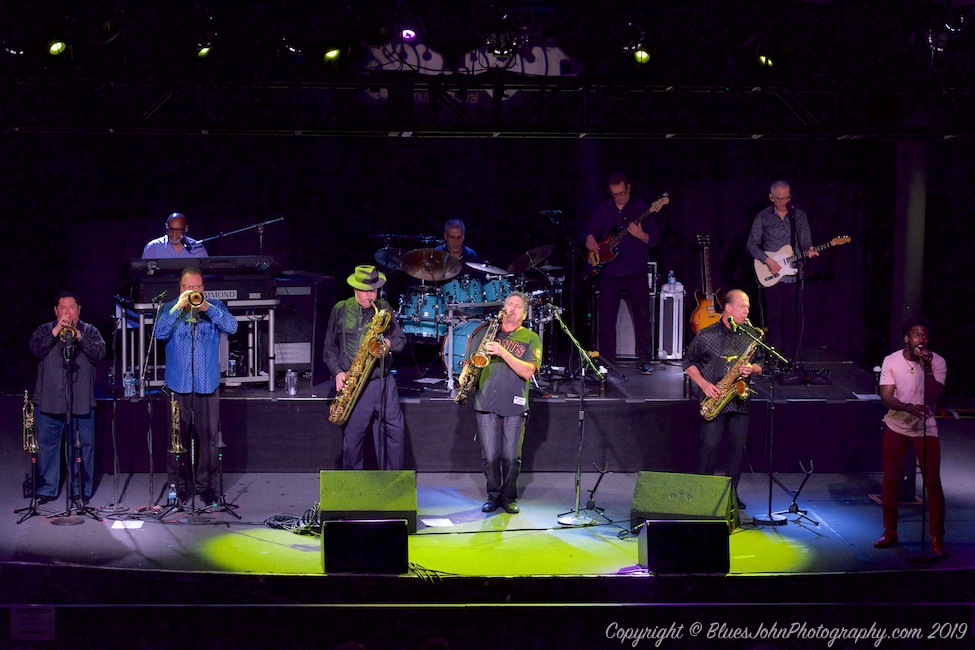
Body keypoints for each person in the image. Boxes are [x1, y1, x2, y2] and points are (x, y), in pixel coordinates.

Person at [155, 267, 237, 503]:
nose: (192, 290)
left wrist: (207, 308)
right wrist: (178, 308)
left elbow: (232, 327)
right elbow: (159, 333)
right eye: (188, 287)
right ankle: (178, 487)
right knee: (176, 440)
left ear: (203, 288)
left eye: (197, 286)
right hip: (177, 385)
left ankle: (206, 487)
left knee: (210, 441)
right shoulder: (168, 308)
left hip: (206, 385)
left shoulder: (215, 307)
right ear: (180, 288)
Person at [683, 289, 764, 510]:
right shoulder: (706, 335)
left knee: (737, 451)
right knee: (708, 448)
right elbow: (688, 363)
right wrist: (704, 385)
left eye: (748, 307)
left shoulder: (752, 335)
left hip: (739, 400)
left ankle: (730, 495)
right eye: (742, 306)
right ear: (728, 308)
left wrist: (752, 368)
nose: (746, 311)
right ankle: (704, 495)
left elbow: (762, 363)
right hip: (715, 399)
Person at [874, 317, 947, 558]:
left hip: (925, 428)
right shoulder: (892, 360)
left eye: (925, 336)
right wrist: (907, 407)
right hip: (896, 425)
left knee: (932, 483)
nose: (921, 340)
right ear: (906, 338)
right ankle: (890, 531)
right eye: (916, 335)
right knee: (891, 481)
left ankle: (937, 538)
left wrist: (927, 368)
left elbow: (935, 393)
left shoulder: (937, 361)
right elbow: (886, 396)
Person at [325, 265, 407, 470]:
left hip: (383, 381)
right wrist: (338, 372)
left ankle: (392, 481)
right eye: (365, 291)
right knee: (353, 439)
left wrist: (388, 344)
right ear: (355, 289)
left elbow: (400, 340)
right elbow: (329, 347)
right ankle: (353, 484)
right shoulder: (340, 309)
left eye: (374, 290)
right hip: (355, 384)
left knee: (395, 431)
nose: (371, 295)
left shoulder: (384, 308)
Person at [467, 292, 542, 514]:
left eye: (517, 306)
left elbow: (528, 371)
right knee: (490, 457)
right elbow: (470, 362)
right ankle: (493, 496)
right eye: (509, 304)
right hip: (486, 401)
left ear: (524, 314)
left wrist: (503, 352)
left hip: (514, 405)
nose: (511, 308)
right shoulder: (486, 332)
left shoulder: (530, 337)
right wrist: (465, 379)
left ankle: (508, 497)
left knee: (511, 457)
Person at [29, 291, 106, 505]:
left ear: (79, 309)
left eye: (71, 307)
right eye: (62, 308)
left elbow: (99, 353)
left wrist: (79, 336)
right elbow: (35, 350)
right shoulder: (45, 330)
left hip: (81, 401)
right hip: (48, 400)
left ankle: (79, 490)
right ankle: (47, 489)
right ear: (55, 311)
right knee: (46, 447)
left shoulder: (89, 331)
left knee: (83, 447)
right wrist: (56, 331)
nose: (67, 312)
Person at [584, 172, 659, 375]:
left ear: (628, 188)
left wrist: (641, 235)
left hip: (635, 269)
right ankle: (606, 360)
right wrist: (589, 237)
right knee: (607, 319)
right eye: (615, 195)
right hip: (609, 271)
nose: (619, 198)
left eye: (621, 193)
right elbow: (590, 228)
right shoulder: (605, 208)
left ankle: (644, 359)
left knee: (642, 316)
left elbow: (654, 238)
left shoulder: (642, 207)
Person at [746, 180, 818, 364]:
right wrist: (767, 260)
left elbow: (805, 241)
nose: (785, 201)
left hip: (794, 274)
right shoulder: (763, 217)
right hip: (771, 274)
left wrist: (809, 249)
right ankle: (775, 356)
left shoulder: (798, 215)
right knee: (774, 315)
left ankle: (792, 357)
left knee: (793, 316)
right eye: (781, 198)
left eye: (788, 197)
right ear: (772, 198)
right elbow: (751, 245)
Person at [142, 212, 209, 259]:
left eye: (179, 230)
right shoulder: (152, 247)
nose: (174, 233)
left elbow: (206, 272)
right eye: (171, 229)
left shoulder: (198, 248)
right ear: (166, 226)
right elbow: (144, 273)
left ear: (186, 228)